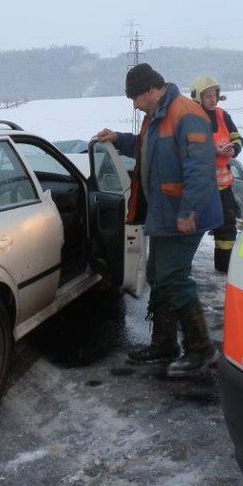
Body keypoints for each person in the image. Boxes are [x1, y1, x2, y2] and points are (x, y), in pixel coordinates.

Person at [96, 63, 223, 378]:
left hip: (184, 214)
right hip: (165, 213)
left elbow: (200, 168)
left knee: (173, 277)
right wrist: (119, 138)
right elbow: (146, 148)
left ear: (150, 91)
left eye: (135, 98)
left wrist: (188, 211)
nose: (134, 105)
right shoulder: (156, 116)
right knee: (158, 273)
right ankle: (164, 344)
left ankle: (201, 348)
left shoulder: (186, 113)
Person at [190, 75, 243, 273]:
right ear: (198, 98)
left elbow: (237, 138)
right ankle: (183, 266)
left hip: (223, 186)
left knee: (227, 227)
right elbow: (190, 147)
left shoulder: (223, 115)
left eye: (214, 95)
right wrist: (214, 151)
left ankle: (224, 268)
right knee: (193, 227)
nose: (212, 99)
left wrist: (234, 149)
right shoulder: (192, 118)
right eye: (208, 96)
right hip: (200, 186)